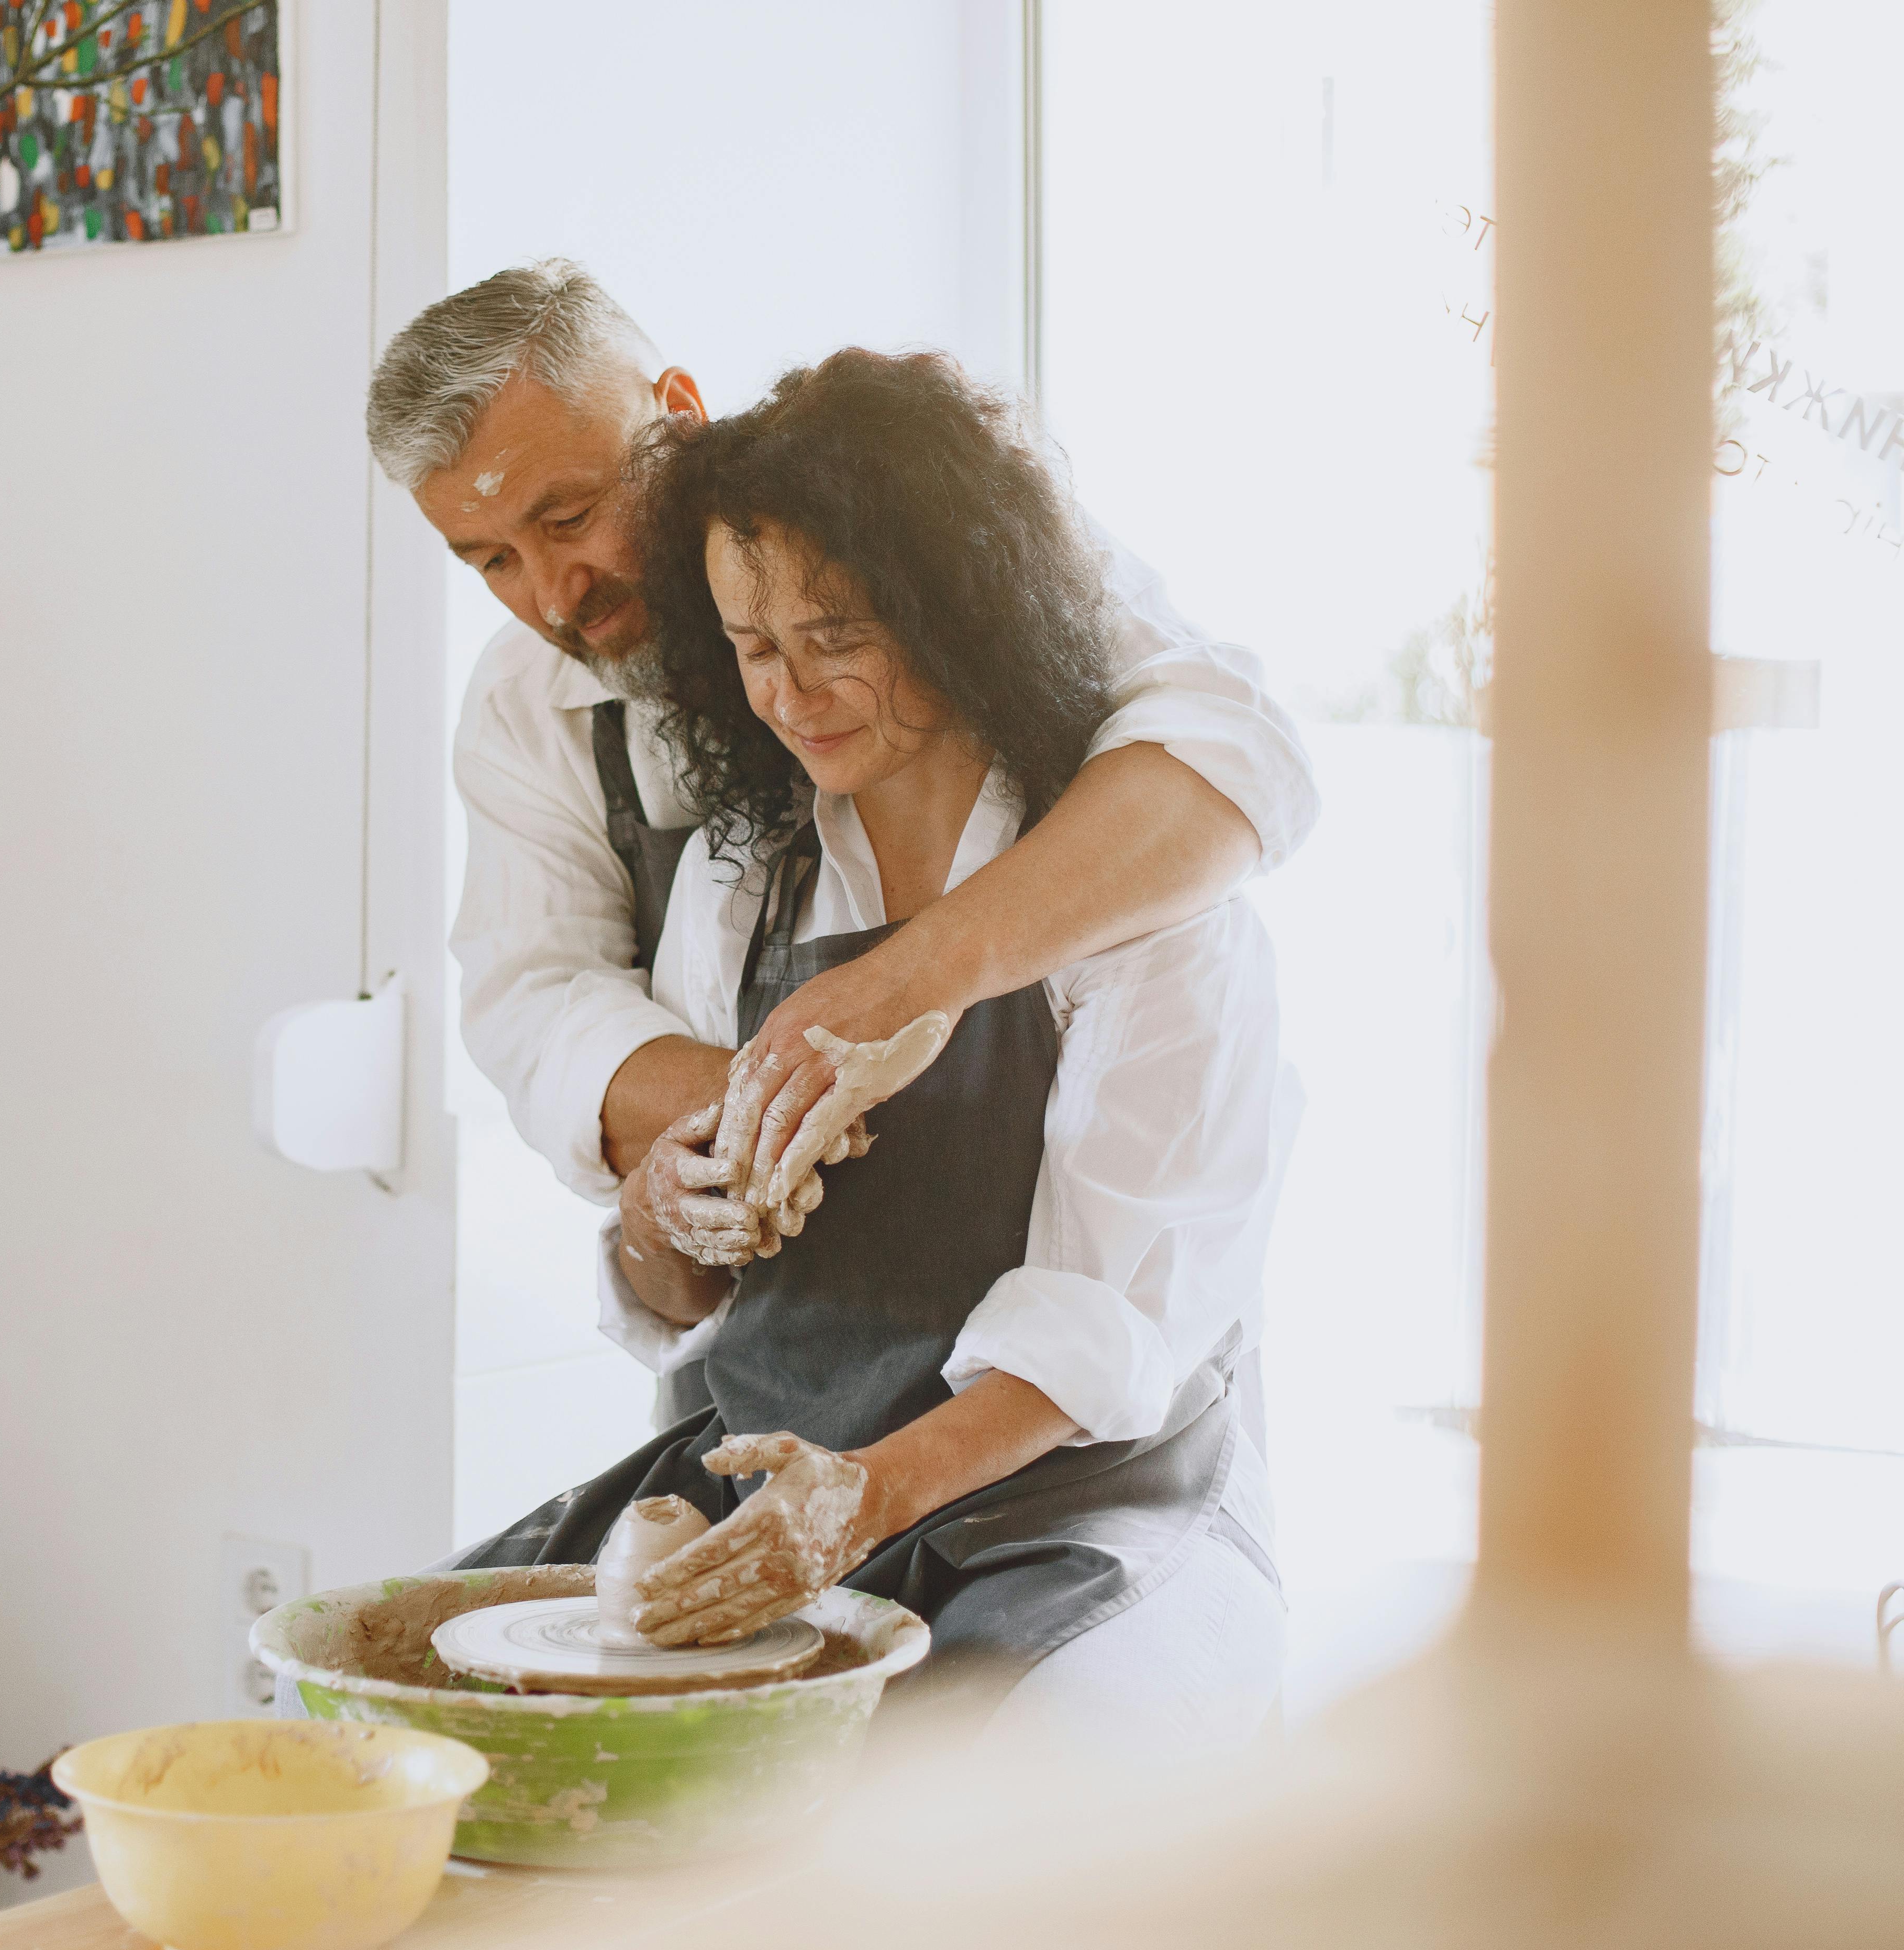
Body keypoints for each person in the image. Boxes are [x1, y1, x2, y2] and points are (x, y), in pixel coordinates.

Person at [453, 349, 1291, 1753]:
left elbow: (1112, 1321)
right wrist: (668, 1218)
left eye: (836, 635)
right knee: (413, 1724)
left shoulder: (1128, 887)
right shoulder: (748, 872)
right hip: (788, 1491)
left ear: (953, 605)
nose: (792, 694)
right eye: (753, 647)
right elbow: (678, 1284)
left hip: (1065, 1498)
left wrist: (869, 1501)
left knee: (954, 1802)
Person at [365, 262, 1315, 1423]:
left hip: (1076, 1416)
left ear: (675, 412)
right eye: (490, 560)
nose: (555, 593)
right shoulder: (532, 712)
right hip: (775, 1359)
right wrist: (765, 1120)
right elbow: (535, 1002)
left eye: (569, 517)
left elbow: (1227, 759)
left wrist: (902, 986)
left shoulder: (933, 532)